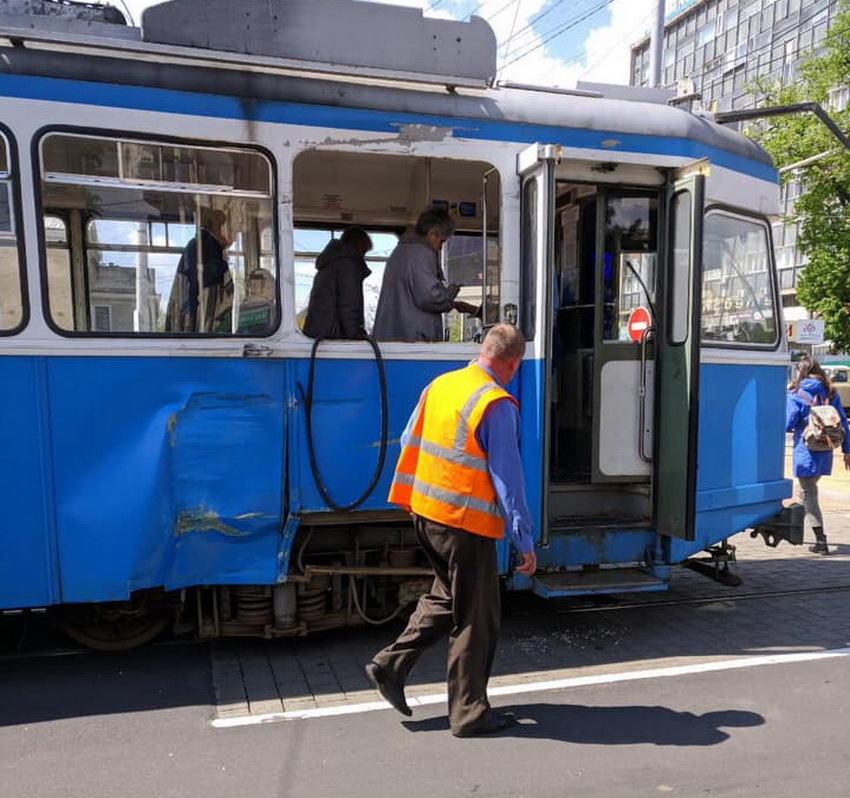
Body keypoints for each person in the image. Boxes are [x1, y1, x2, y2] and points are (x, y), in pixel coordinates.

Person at [365, 323, 537, 737]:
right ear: (513, 363)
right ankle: (469, 713)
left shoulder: (442, 385)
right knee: (478, 618)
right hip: (465, 524)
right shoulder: (496, 404)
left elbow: (410, 438)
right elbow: (508, 482)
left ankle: (389, 665)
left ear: (484, 351)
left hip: (426, 514)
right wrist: (524, 540)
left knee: (448, 598)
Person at [786, 355, 850, 554]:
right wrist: (847, 450)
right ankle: (788, 528)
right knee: (804, 493)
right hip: (825, 450)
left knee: (809, 495)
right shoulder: (831, 392)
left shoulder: (797, 393)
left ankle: (821, 540)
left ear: (802, 371)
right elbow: (844, 423)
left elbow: (787, 423)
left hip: (806, 451)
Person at [372, 206, 462, 342]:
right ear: (432, 234)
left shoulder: (401, 250)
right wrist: (449, 294)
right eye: (441, 241)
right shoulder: (421, 253)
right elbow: (430, 297)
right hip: (414, 338)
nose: (440, 247)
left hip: (396, 335)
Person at [166, 208, 232, 332]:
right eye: (229, 228)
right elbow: (207, 290)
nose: (233, 236)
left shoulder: (196, 244)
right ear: (218, 226)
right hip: (202, 316)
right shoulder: (208, 248)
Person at [303, 226, 372, 339]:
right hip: (334, 335)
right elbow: (348, 305)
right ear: (360, 247)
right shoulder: (348, 265)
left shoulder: (330, 263)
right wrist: (355, 336)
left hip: (319, 332)